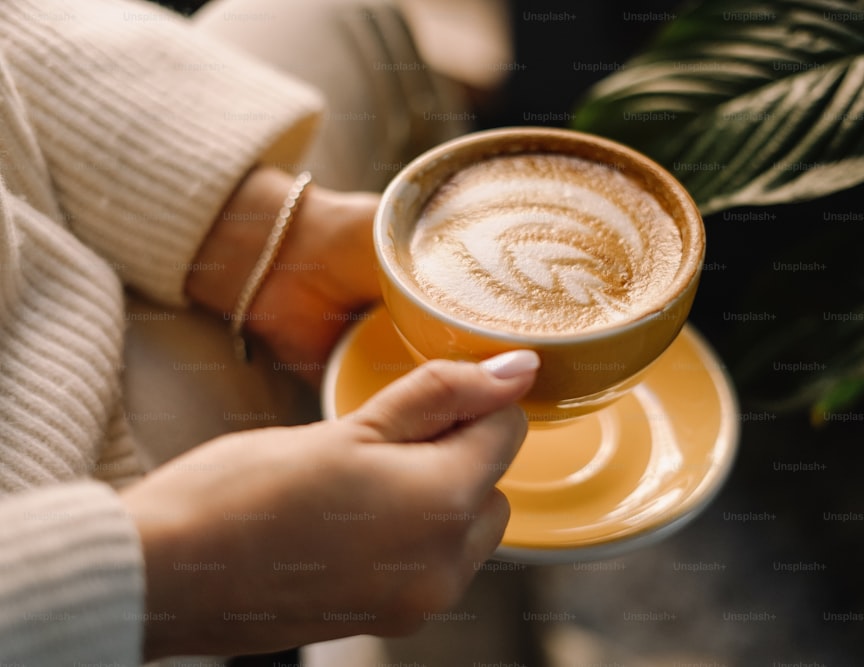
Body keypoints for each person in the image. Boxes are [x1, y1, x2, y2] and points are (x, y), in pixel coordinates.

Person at [0, 0, 532, 663]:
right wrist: (144, 572)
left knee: (338, 16)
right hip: (57, 507)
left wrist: (250, 229)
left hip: (36, 269)